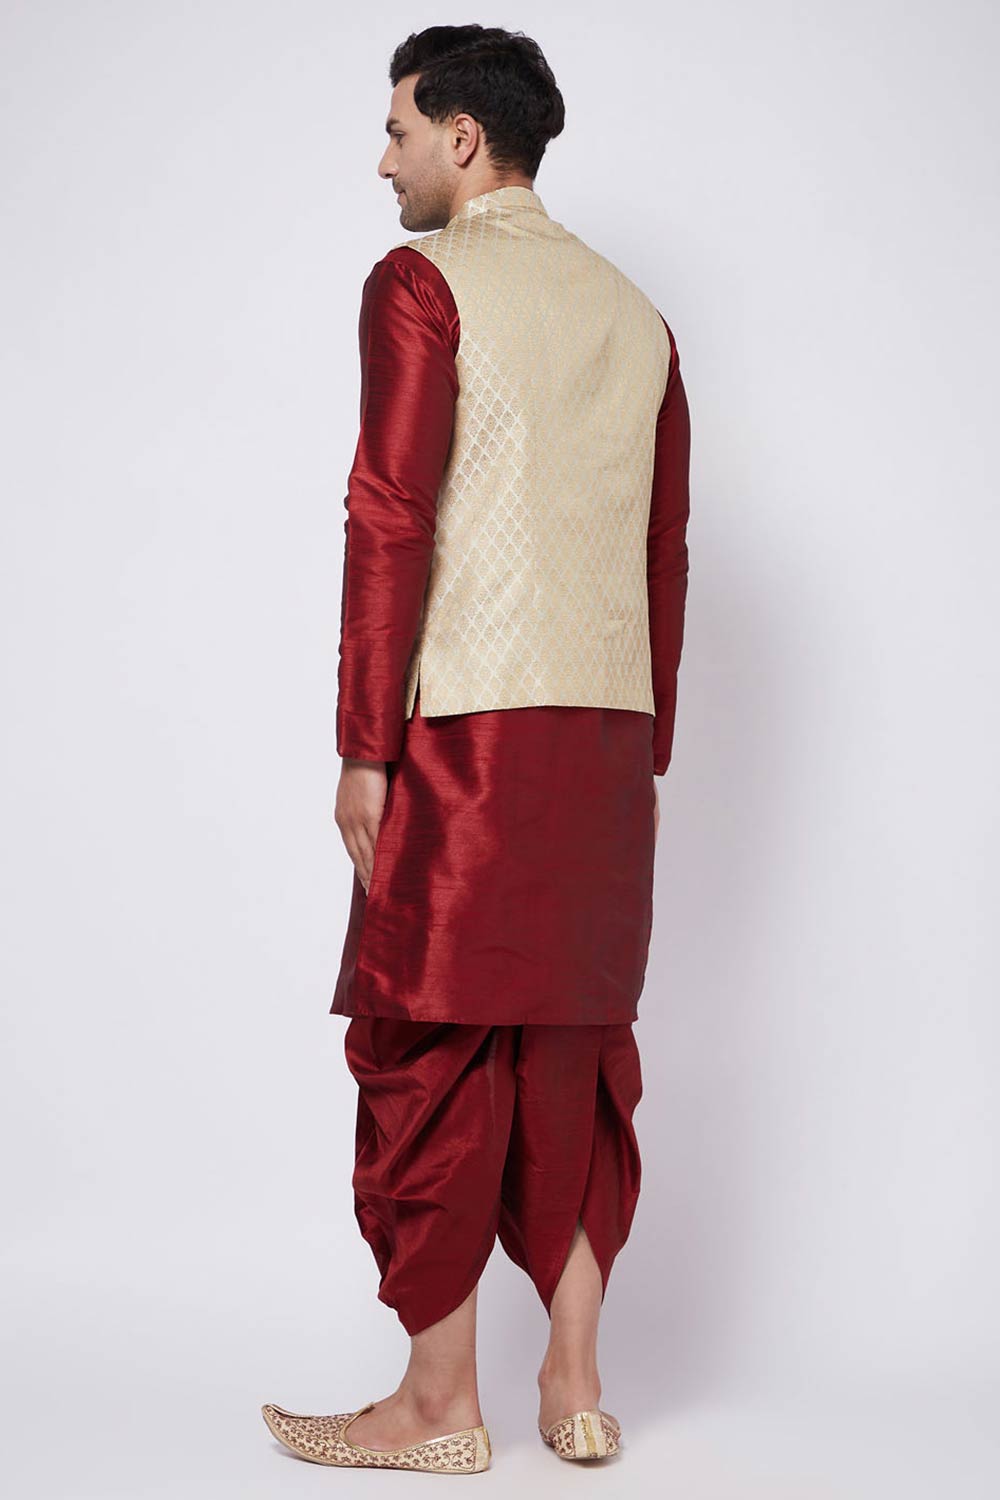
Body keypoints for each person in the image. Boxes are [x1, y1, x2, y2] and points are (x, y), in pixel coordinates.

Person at [262, 23, 691, 1475]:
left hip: (468, 729)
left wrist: (363, 742)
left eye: (397, 130)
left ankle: (439, 1408)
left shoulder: (423, 283)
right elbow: (663, 549)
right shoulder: (640, 317)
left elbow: (390, 512)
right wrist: (649, 748)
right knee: (575, 1046)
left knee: (427, 1043)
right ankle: (575, 1386)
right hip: (607, 740)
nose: (381, 160)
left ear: (463, 138)